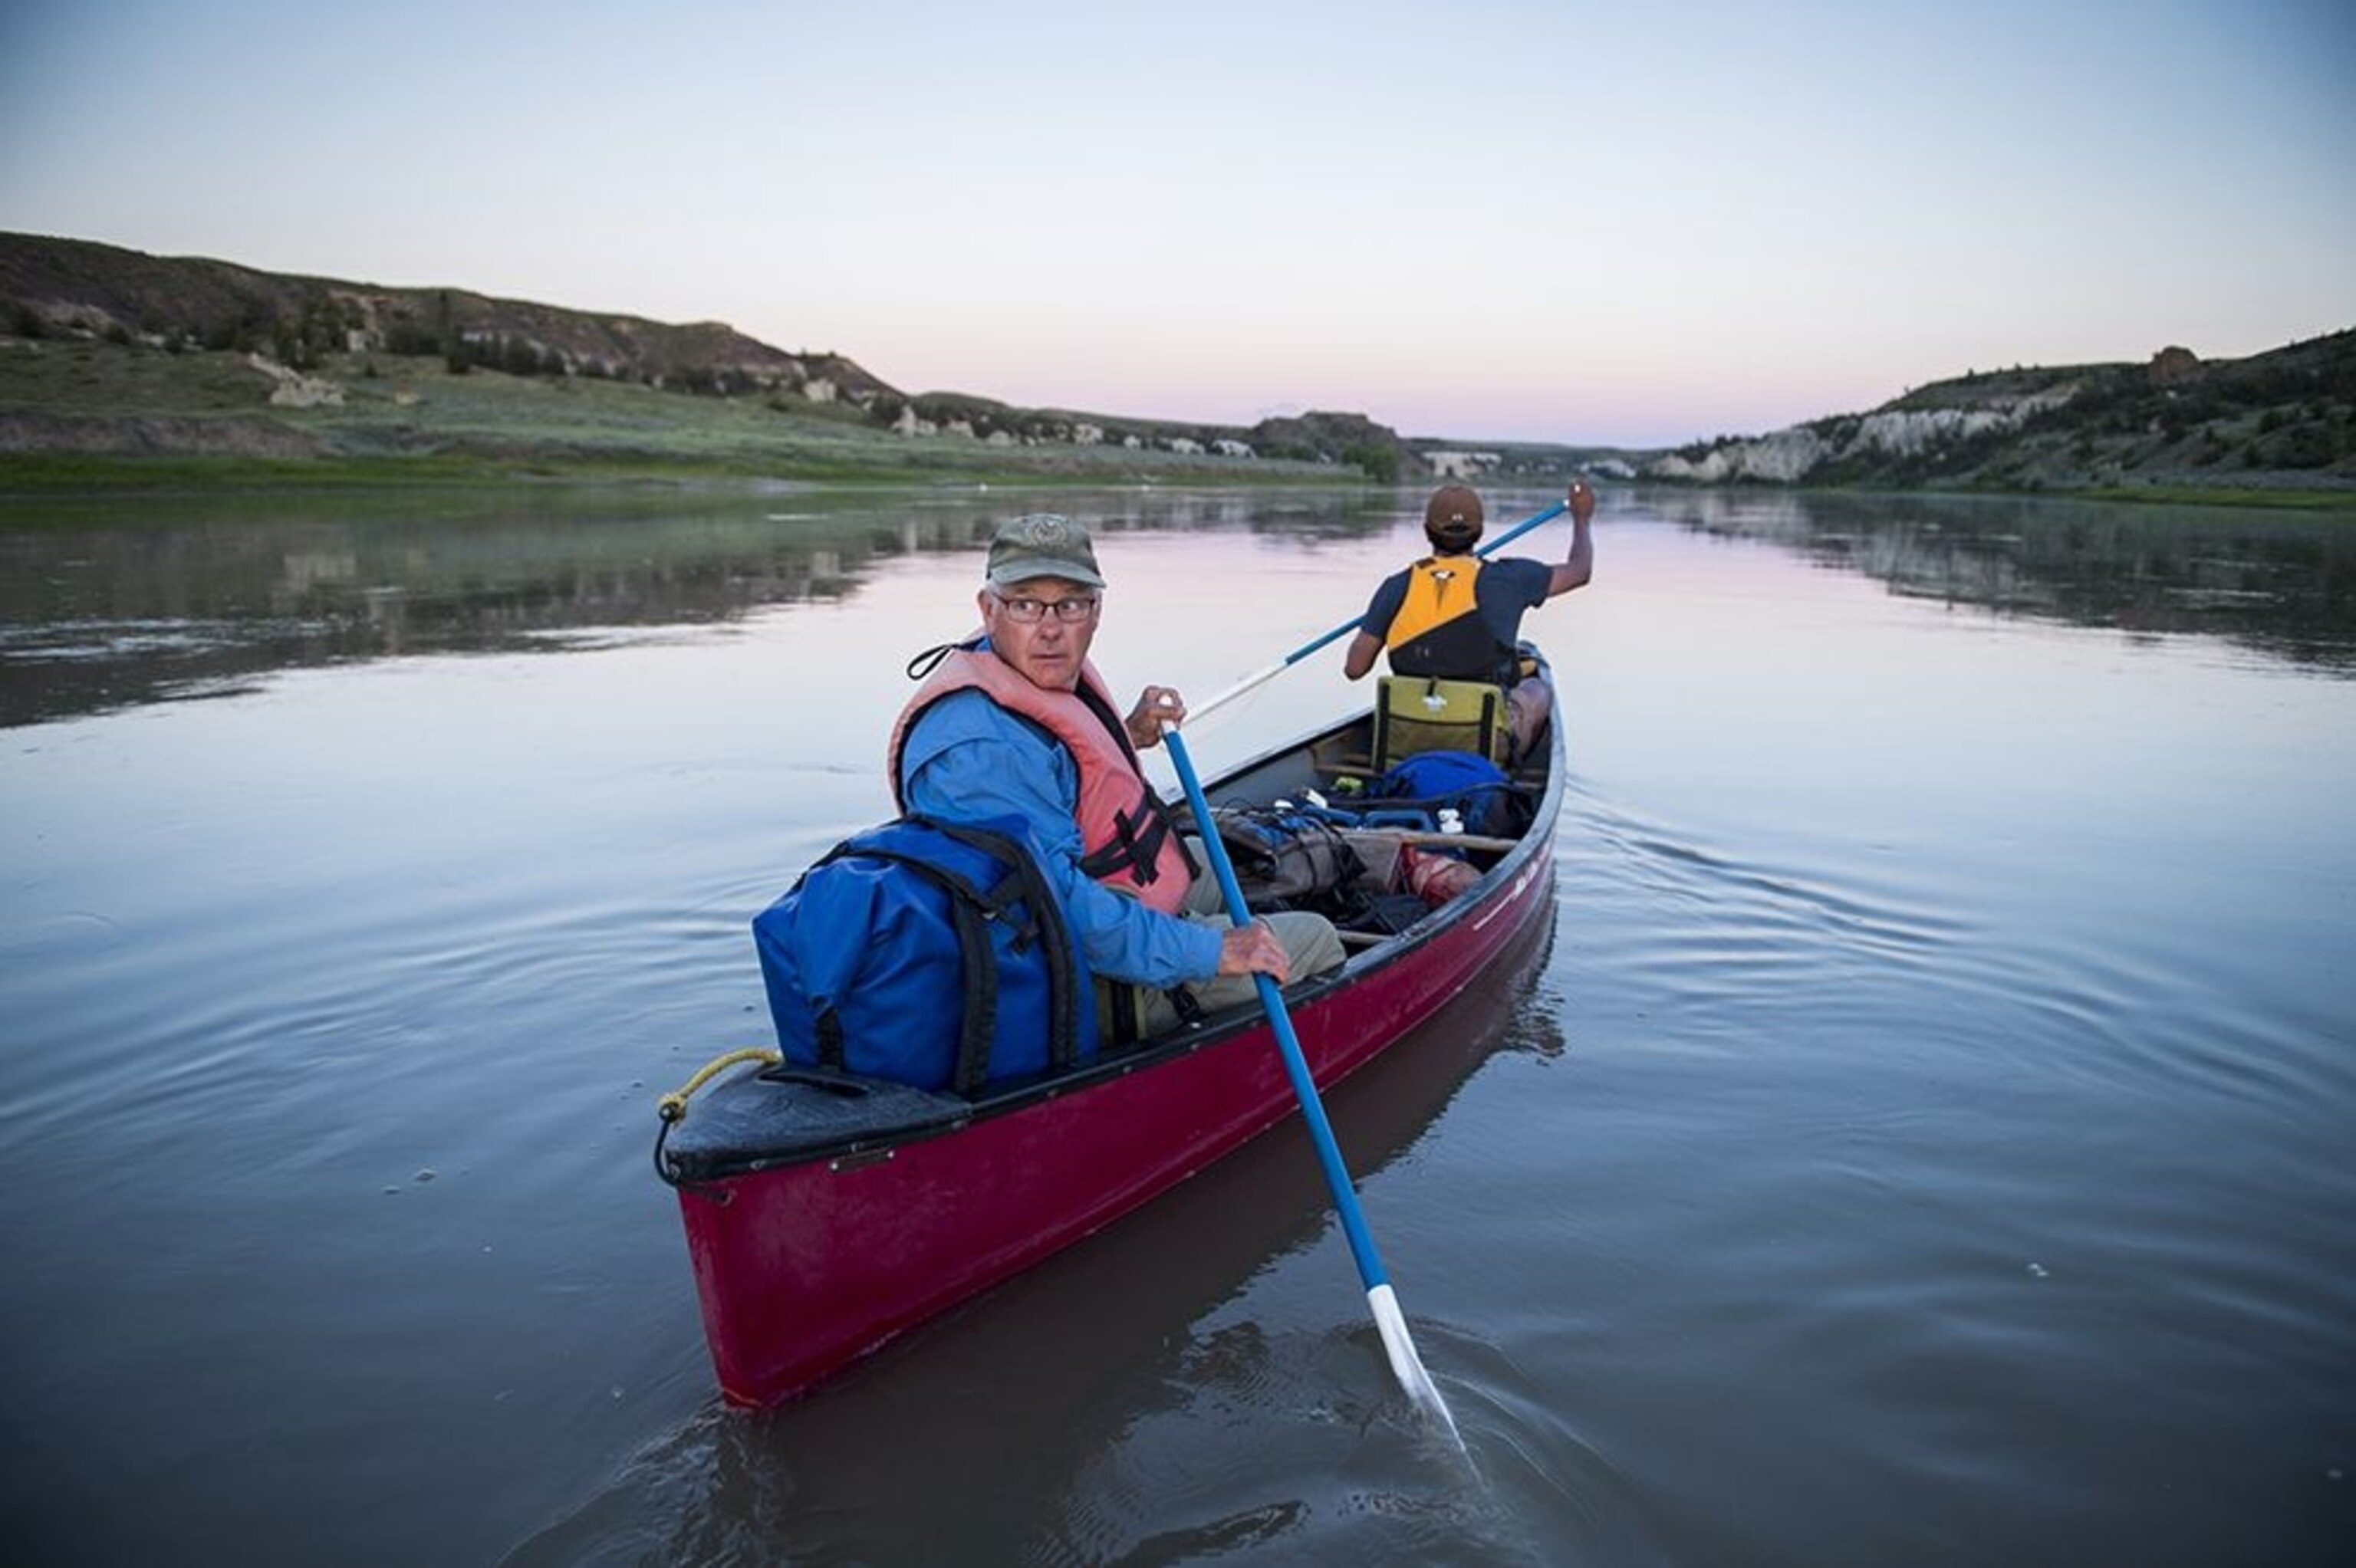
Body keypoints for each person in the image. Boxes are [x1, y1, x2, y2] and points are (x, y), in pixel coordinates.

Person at [891, 512, 1344, 1036]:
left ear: (1096, 610)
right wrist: (1212, 950)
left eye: (1070, 603)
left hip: (1109, 892)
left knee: (1239, 856)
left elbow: (1057, 769)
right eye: (1025, 603)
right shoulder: (976, 751)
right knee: (1317, 938)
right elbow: (1057, 915)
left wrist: (1128, 731)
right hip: (1081, 981)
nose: (1050, 628)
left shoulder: (1015, 662)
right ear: (988, 608)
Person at [1342, 478, 1596, 759]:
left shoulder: (1396, 585)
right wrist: (1581, 519)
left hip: (1407, 735)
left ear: (1427, 531)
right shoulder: (1509, 579)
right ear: (1480, 532)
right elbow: (1579, 571)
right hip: (1481, 740)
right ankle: (1508, 770)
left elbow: (1354, 669)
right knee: (1538, 689)